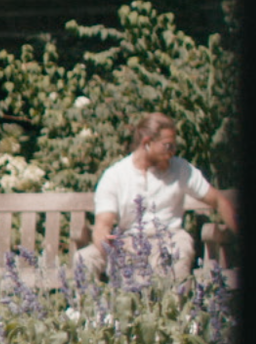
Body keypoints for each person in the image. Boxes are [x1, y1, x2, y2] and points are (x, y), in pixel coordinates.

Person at [78, 111, 238, 279]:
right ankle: (83, 305)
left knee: (179, 251)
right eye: (168, 145)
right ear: (147, 143)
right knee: (84, 259)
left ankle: (175, 303)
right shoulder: (116, 175)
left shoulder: (182, 169)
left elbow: (219, 201)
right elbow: (103, 224)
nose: (172, 151)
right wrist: (106, 243)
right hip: (129, 241)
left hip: (170, 238)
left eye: (174, 146)